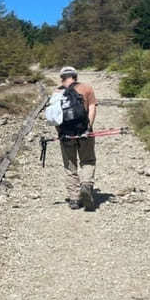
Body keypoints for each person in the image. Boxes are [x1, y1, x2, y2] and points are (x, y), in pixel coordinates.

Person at [55, 66, 98, 211]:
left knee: (70, 165)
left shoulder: (56, 92)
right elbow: (92, 108)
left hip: (66, 134)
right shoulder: (86, 88)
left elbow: (54, 117)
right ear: (75, 76)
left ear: (62, 78)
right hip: (84, 132)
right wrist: (88, 128)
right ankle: (86, 184)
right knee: (88, 160)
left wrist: (60, 133)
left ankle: (74, 198)